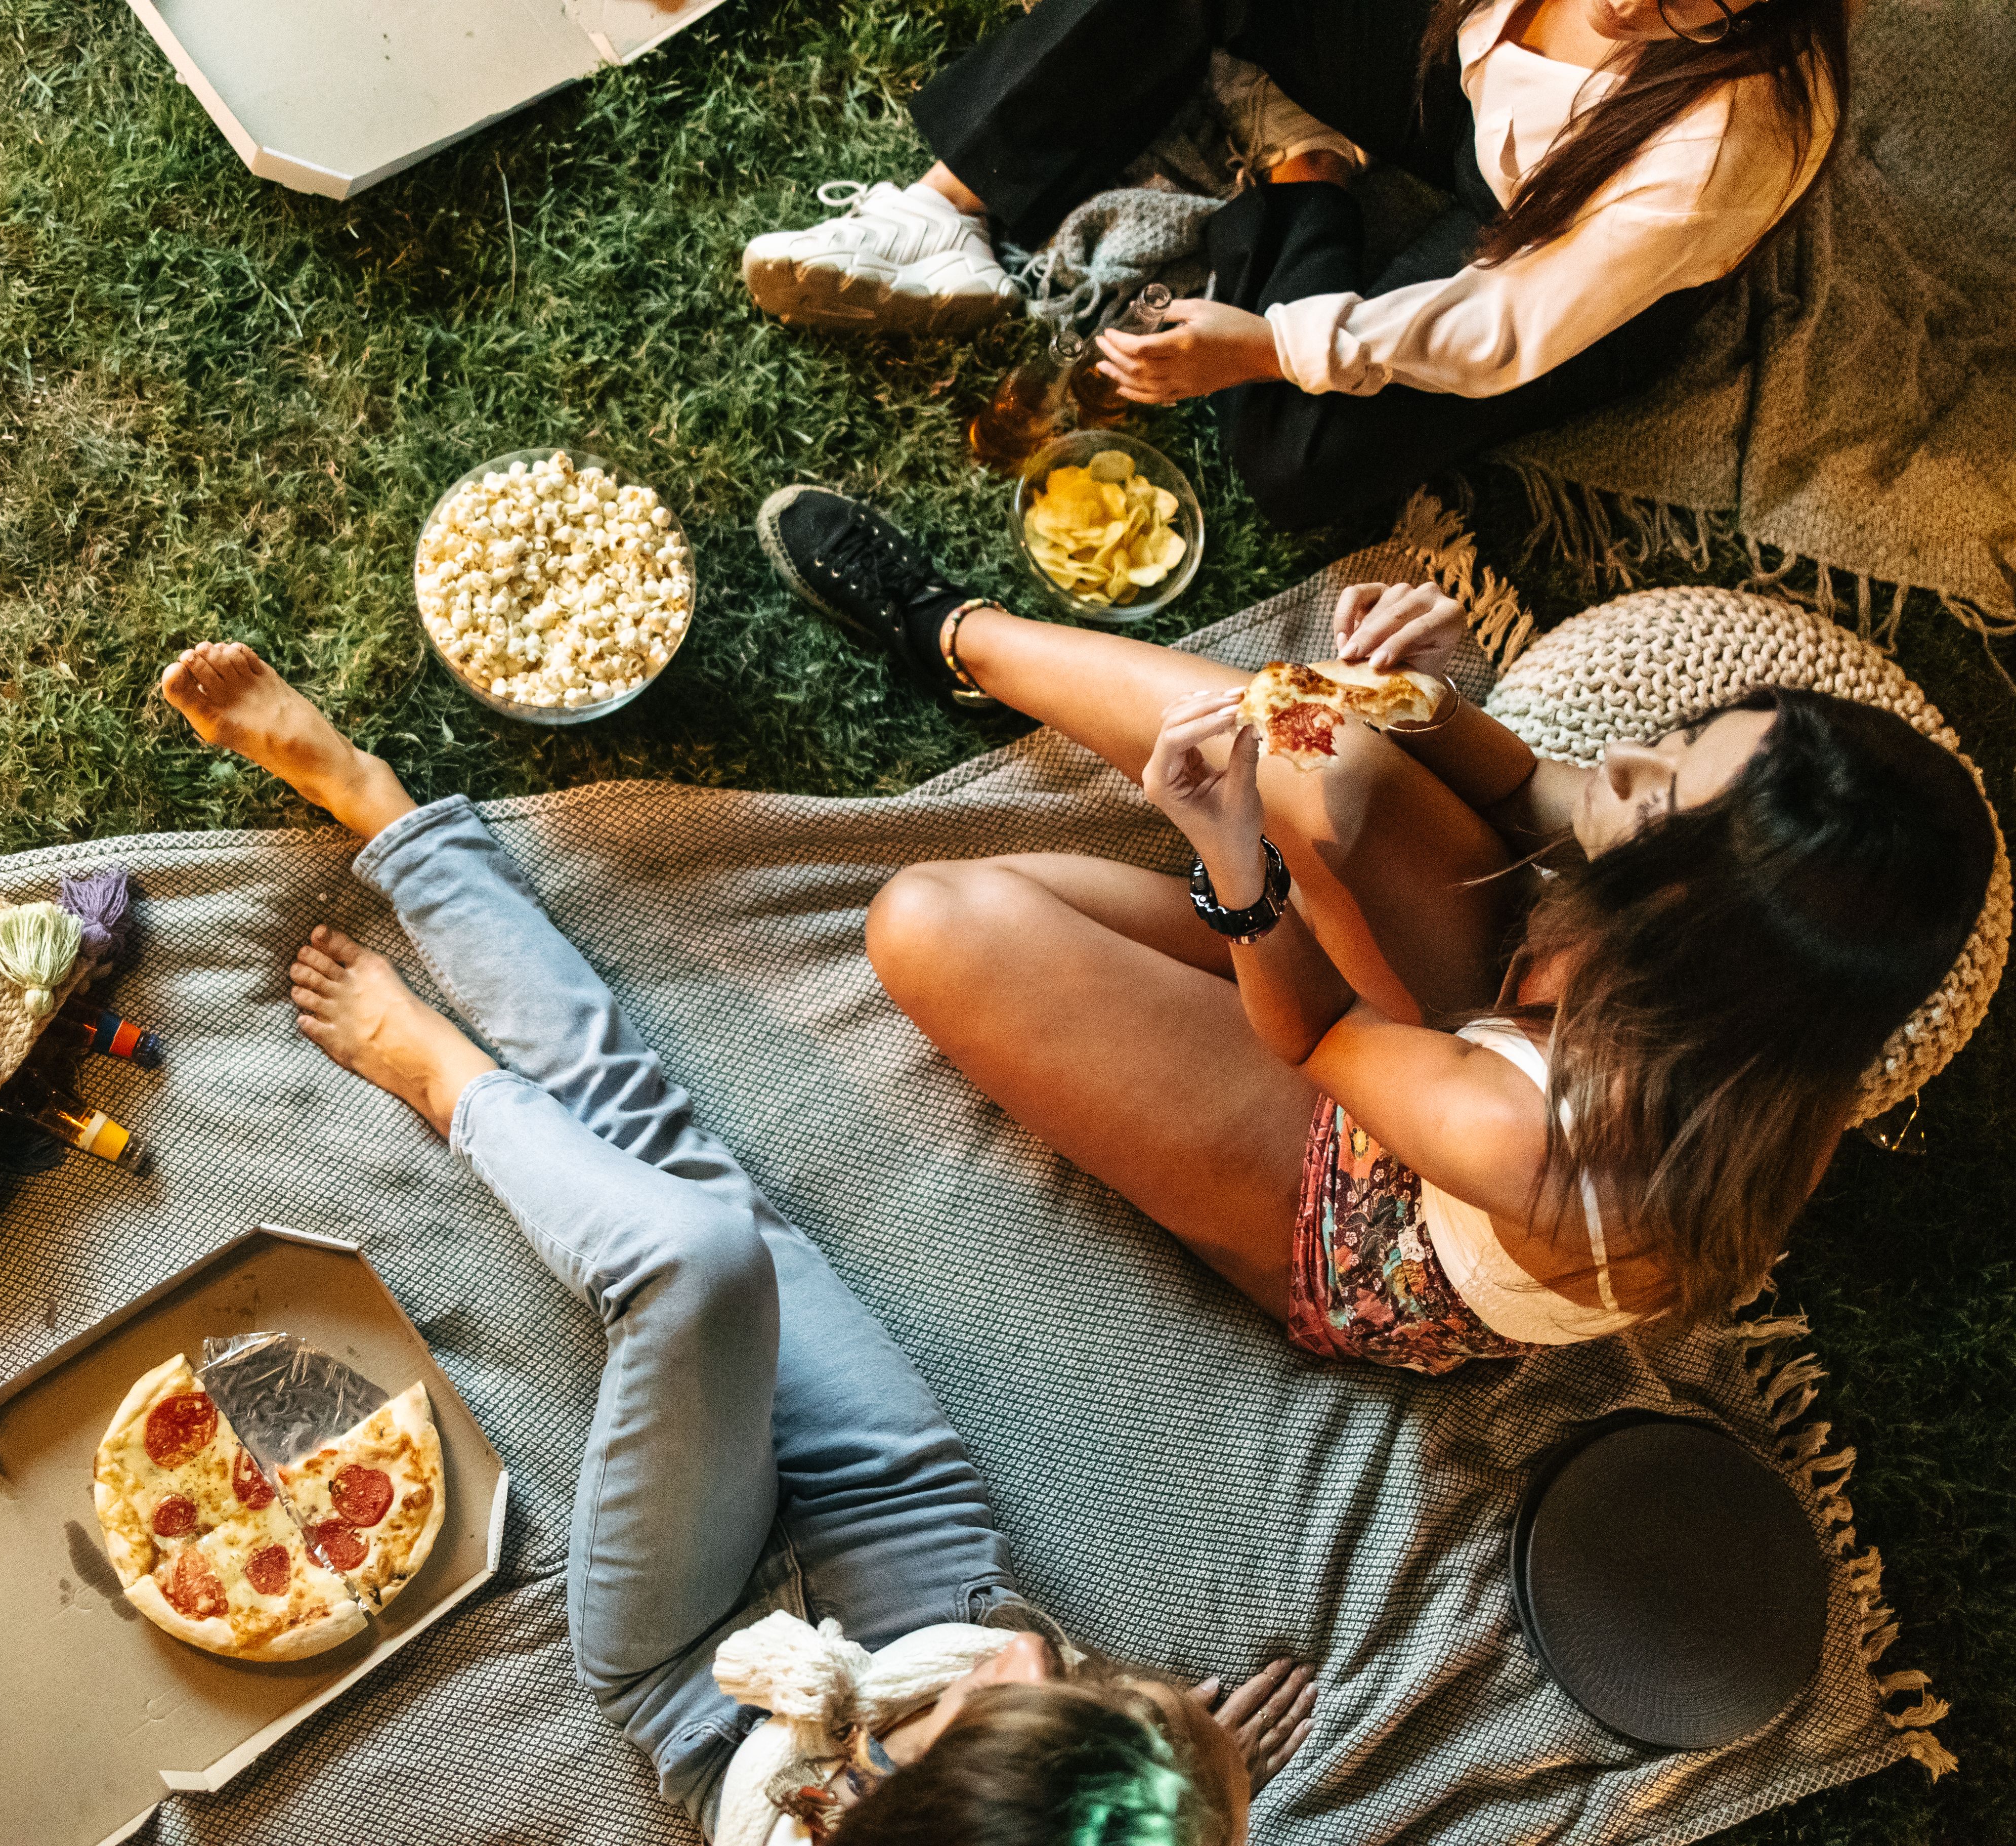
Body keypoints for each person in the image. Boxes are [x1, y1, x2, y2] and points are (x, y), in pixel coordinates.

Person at [156, 641, 1317, 1841]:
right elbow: (1047, 1696)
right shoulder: (1081, 1752)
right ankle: (382, 808)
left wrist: (903, 1733)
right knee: (666, 1159)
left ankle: (448, 1086)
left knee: (693, 1261)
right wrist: (1148, 1782)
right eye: (1069, 1692)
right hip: (913, 1550)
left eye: (995, 1712)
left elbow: (814, 1762)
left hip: (703, 1673)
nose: (1032, 1663)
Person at [757, 485, 1995, 1373]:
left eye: (1659, 796)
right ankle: (959, 637)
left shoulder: (1544, 1143)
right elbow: (1526, 788)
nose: (1622, 761)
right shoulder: (1760, 985)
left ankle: (1167, 833)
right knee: (1324, 752)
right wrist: (1428, 699)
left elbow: (1318, 1032)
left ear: (1694, 919)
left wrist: (1235, 861)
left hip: (1374, 1212)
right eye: (1678, 739)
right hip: (1472, 1029)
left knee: (928, 920)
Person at [741, 0, 1848, 526]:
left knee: (1297, 458)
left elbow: (1504, 325)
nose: (1629, 4)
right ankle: (943, 214)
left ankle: (1304, 169)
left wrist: (1273, 346)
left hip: (1548, 251)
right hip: (1455, 74)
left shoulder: (1725, 145)